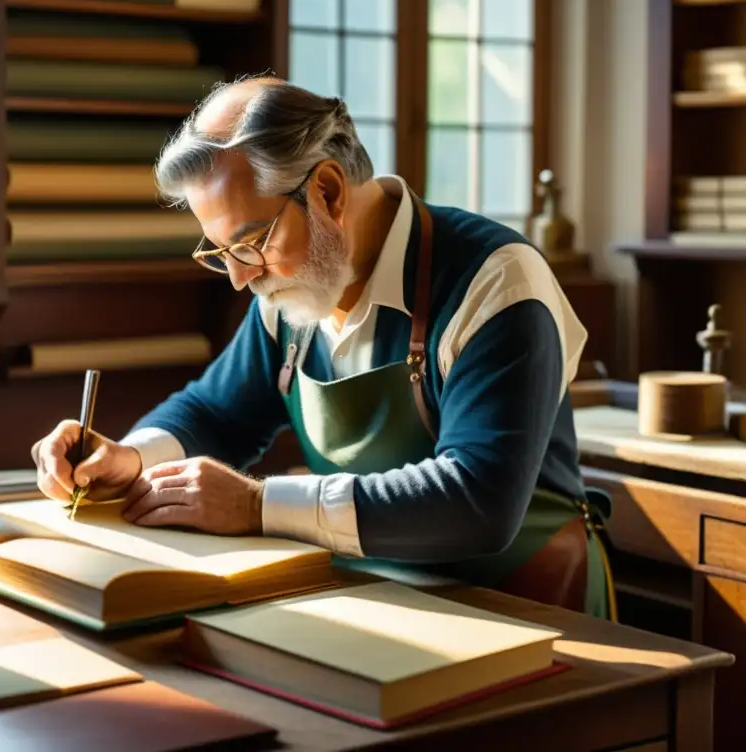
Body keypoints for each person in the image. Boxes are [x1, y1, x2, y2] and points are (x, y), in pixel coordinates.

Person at [31, 76, 615, 619]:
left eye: (251, 242)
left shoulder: (495, 284)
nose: (240, 278)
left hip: (528, 610)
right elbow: (215, 412)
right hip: (379, 599)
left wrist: (257, 506)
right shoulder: (292, 291)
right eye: (219, 251)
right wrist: (128, 459)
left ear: (329, 191)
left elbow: (477, 502)